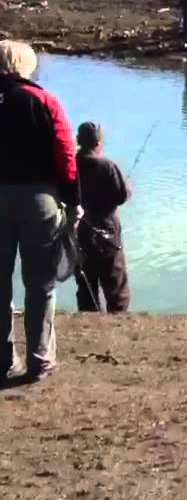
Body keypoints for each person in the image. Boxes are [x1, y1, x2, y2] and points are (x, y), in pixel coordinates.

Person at [0, 40, 79, 383]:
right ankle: (40, 360)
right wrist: (73, 201)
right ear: (24, 65)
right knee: (40, 284)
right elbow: (66, 156)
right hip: (39, 200)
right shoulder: (44, 100)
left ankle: (3, 361)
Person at [73, 123, 131, 314]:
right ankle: (118, 317)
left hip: (79, 229)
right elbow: (122, 196)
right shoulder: (107, 165)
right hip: (106, 230)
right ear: (98, 142)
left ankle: (88, 316)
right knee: (115, 279)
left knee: (86, 281)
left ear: (79, 141)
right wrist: (127, 185)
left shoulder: (71, 164)